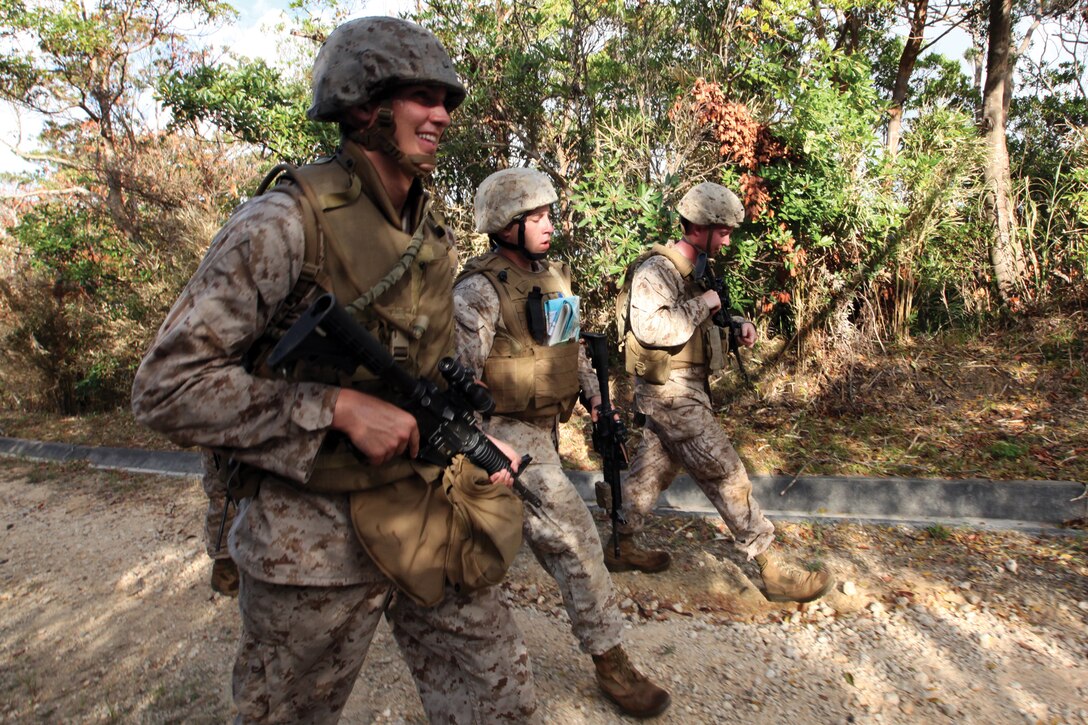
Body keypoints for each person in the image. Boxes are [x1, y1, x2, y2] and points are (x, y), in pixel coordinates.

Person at [131, 17, 537, 723]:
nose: (442, 113)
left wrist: (472, 435)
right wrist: (336, 410)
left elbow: (428, 365)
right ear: (362, 106)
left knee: (500, 703)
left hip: (427, 508)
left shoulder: (429, 232)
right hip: (311, 542)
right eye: (421, 96)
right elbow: (166, 387)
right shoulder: (283, 222)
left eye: (447, 99)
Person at [452, 168, 671, 718]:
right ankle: (611, 662)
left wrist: (598, 400)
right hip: (504, 437)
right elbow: (455, 381)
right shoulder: (478, 290)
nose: (550, 224)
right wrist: (480, 446)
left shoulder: (551, 279)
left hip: (545, 428)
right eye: (538, 217)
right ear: (506, 225)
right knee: (575, 540)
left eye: (549, 214)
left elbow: (569, 349)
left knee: (510, 547)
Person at [608, 181, 834, 604]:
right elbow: (652, 329)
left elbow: (711, 316)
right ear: (698, 226)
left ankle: (619, 545)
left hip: (689, 387)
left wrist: (737, 324)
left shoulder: (700, 268)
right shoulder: (656, 271)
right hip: (669, 392)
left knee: (651, 472)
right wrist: (703, 305)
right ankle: (772, 570)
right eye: (724, 230)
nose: (729, 238)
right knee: (726, 472)